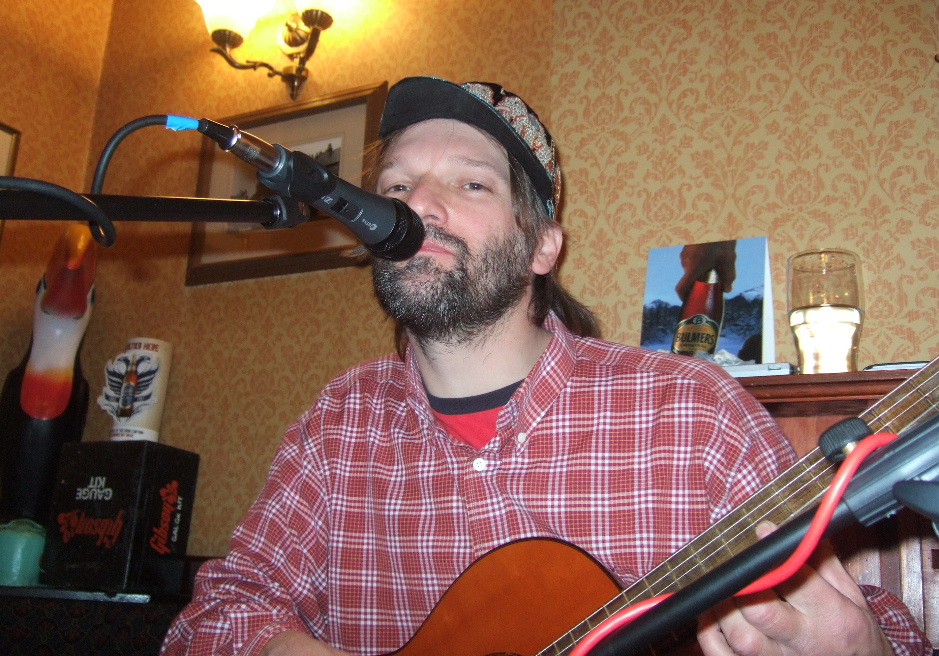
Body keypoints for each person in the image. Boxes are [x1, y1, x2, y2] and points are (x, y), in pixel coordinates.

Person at [161, 77, 931, 656]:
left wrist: (862, 647)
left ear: (541, 248)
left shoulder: (692, 413)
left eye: (469, 183)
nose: (417, 204)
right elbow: (214, 617)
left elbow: (875, 618)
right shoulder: (338, 424)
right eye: (394, 186)